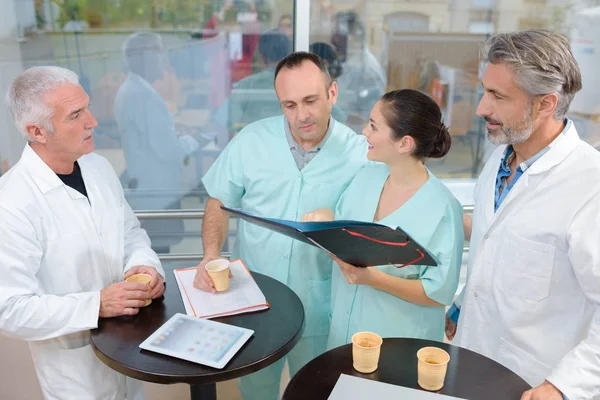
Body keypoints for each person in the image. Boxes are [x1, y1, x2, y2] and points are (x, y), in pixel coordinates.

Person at [194, 52, 367, 400]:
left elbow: (369, 229)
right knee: (257, 389)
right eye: (289, 105)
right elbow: (218, 201)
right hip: (258, 299)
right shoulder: (251, 141)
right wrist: (210, 255)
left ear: (332, 93)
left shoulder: (360, 153)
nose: (301, 115)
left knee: (315, 389)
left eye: (310, 101)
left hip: (322, 305)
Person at [444, 29, 600, 400]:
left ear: (545, 104)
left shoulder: (590, 187)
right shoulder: (500, 157)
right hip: (471, 361)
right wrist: (463, 304)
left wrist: (563, 385)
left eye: (498, 96)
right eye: (485, 90)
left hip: (533, 382)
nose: (482, 108)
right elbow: (496, 245)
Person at [0, 66, 165, 399]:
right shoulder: (11, 202)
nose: (93, 121)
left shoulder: (98, 168)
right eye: (76, 115)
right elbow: (10, 309)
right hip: (77, 376)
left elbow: (130, 232)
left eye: (87, 108)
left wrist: (143, 265)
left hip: (129, 353)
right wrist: (97, 304)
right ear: (38, 131)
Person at [303, 89, 464, 347]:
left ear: (404, 143)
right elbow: (346, 233)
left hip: (398, 340)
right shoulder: (367, 177)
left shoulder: (443, 208)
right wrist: (327, 220)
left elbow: (438, 293)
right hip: (345, 331)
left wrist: (373, 279)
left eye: (374, 127)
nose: (365, 132)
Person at [114, 32, 199, 254]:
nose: (165, 60)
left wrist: (172, 131)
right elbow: (168, 151)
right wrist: (193, 140)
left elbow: (151, 137)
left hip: (148, 186)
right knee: (158, 254)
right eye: (161, 53)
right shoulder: (143, 95)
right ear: (147, 58)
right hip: (155, 191)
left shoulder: (133, 90)